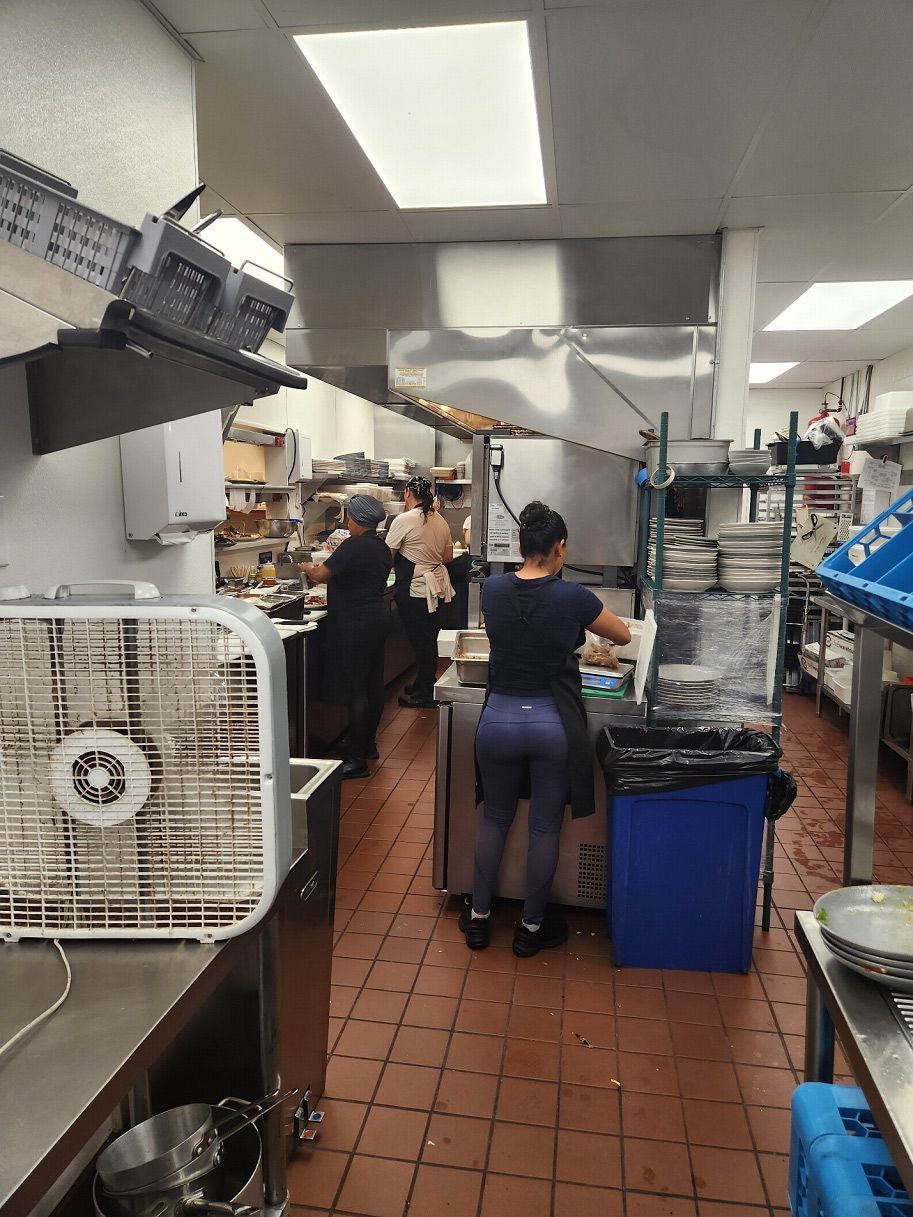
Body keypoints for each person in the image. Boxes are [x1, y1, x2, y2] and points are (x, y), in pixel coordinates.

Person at [460, 501, 631, 957]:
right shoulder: (573, 596)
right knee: (543, 828)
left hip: (497, 720)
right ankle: (530, 929)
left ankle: (478, 920)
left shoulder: (492, 590)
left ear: (521, 546)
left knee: (494, 817)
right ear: (559, 547)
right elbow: (623, 636)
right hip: (551, 723)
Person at [299, 495, 392, 779]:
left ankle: (356, 761)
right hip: (376, 619)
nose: (346, 521)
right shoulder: (381, 547)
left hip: (355, 624)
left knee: (355, 690)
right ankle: (368, 745)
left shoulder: (353, 546)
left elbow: (321, 575)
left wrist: (304, 568)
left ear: (356, 520)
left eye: (349, 517)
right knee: (373, 685)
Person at [386, 475, 454, 708]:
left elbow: (387, 556)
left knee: (421, 642)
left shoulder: (404, 520)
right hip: (435, 588)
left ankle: (426, 691)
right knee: (428, 639)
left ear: (407, 493)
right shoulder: (441, 521)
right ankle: (424, 683)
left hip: (415, 591)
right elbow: (447, 557)